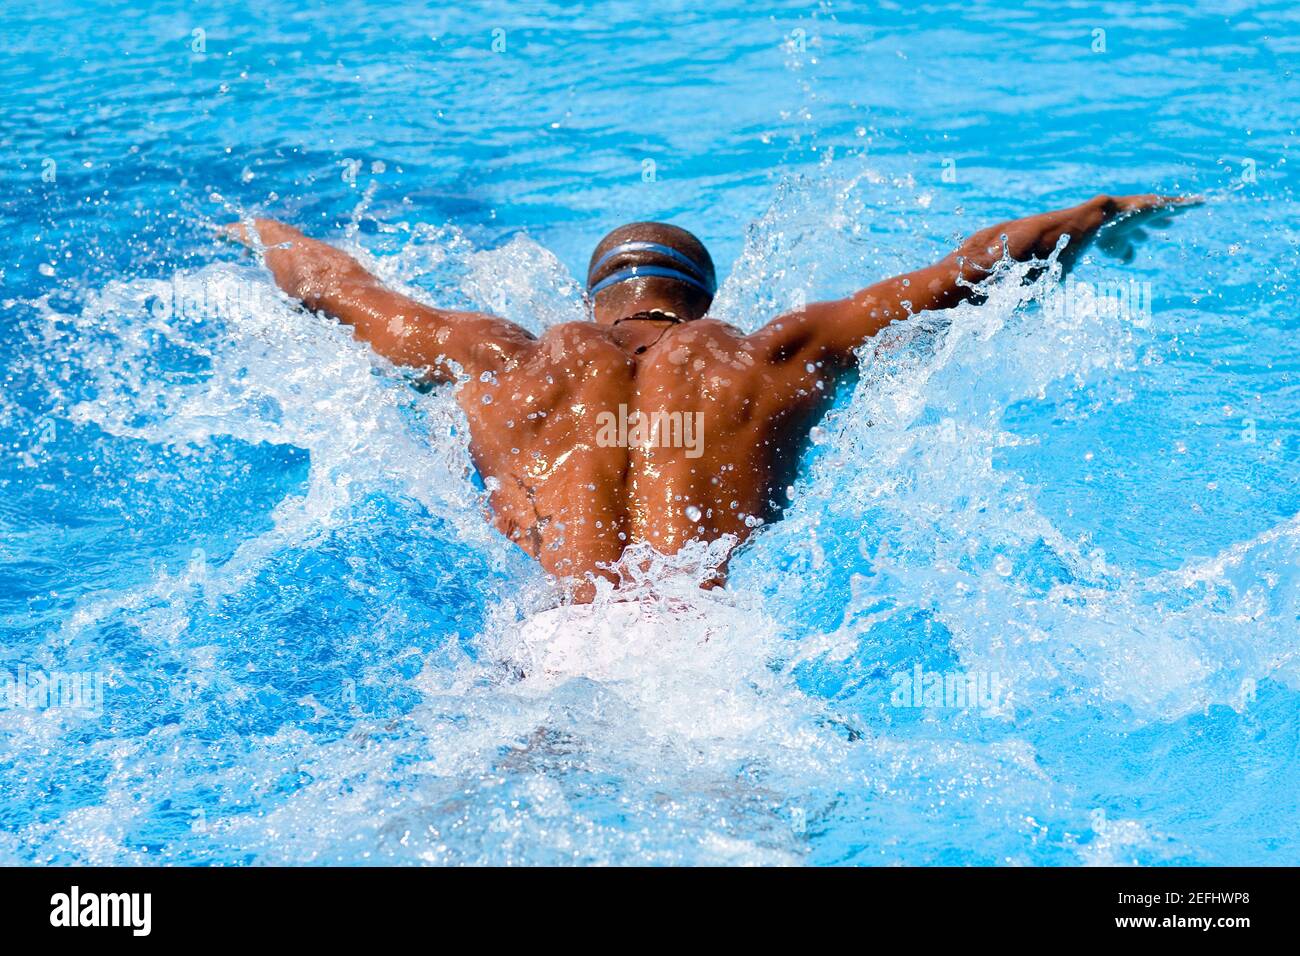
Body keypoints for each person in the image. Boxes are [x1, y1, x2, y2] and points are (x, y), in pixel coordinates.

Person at [224, 194, 1192, 603]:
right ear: (701, 299)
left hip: (552, 652)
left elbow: (339, 290)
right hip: (705, 663)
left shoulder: (501, 357)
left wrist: (257, 229)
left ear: (597, 298)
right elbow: (955, 275)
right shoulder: (768, 354)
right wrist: (1097, 216)